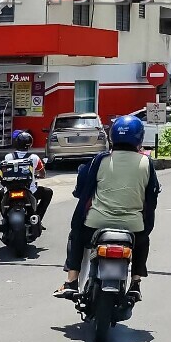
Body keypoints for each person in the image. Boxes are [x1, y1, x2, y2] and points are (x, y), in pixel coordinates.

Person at [54, 114, 159, 301]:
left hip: (95, 224)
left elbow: (81, 187)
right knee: (143, 241)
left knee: (76, 235)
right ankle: (135, 283)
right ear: (140, 138)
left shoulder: (100, 160)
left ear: (112, 136)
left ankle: (71, 281)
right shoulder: (146, 163)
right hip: (133, 228)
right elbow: (152, 198)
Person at [0, 130, 52, 226]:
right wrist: (38, 175)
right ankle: (37, 219)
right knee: (48, 192)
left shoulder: (8, 157)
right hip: (30, 191)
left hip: (9, 190)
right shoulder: (35, 158)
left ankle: (5, 218)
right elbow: (42, 173)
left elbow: (0, 173)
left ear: (16, 143)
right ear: (30, 144)